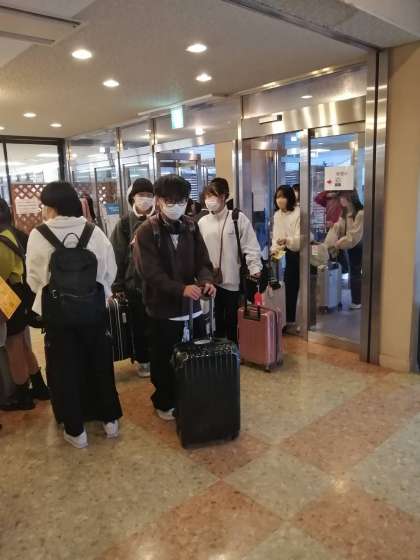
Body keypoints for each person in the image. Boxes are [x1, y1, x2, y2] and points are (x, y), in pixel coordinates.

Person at [26, 181, 122, 448]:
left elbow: (34, 279)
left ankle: (76, 430)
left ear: (51, 207)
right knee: (100, 364)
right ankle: (110, 421)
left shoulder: (38, 234)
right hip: (93, 311)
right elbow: (109, 272)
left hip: (58, 315)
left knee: (64, 369)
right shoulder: (94, 232)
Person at [134, 174, 216, 420]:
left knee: (195, 355)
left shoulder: (191, 226)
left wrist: (206, 281)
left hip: (192, 309)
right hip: (163, 309)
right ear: (158, 201)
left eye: (181, 201)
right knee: (163, 359)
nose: (176, 206)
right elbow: (150, 272)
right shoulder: (146, 231)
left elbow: (203, 261)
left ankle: (191, 395)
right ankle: (165, 400)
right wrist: (180, 288)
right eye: (170, 201)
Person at [199, 179, 262, 343]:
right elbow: (197, 251)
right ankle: (219, 349)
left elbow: (250, 245)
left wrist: (254, 267)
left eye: (213, 195)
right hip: (210, 280)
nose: (209, 200)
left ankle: (234, 348)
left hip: (232, 279)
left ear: (224, 196)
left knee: (233, 319)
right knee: (214, 318)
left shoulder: (237, 218)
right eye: (207, 196)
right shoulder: (202, 222)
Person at [0, 199, 48, 411]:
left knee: (13, 347)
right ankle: (39, 386)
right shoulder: (15, 233)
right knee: (22, 343)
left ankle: (22, 396)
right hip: (19, 295)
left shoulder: (1, 240)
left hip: (7, 295)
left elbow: (2, 274)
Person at [111, 178, 154, 376]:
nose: (145, 199)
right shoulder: (124, 223)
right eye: (141, 195)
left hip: (159, 283)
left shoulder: (160, 219)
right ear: (132, 198)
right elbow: (117, 255)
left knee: (159, 323)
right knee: (139, 323)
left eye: (149, 195)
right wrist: (117, 285)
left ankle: (159, 357)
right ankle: (144, 360)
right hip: (133, 283)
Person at [325, 190, 364, 309]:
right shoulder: (346, 211)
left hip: (358, 246)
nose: (341, 200)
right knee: (354, 272)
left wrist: (338, 244)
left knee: (355, 273)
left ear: (350, 198)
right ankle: (356, 300)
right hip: (350, 245)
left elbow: (354, 236)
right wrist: (333, 226)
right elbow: (341, 226)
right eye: (340, 198)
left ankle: (357, 301)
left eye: (343, 197)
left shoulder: (360, 214)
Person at [271, 185, 300, 328]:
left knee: (301, 287)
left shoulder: (298, 212)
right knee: (289, 286)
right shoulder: (277, 215)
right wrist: (275, 251)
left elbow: (300, 237)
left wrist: (287, 241)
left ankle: (301, 322)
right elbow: (277, 236)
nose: (280, 200)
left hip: (301, 252)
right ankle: (290, 319)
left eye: (283, 196)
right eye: (278, 197)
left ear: (290, 198)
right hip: (288, 252)